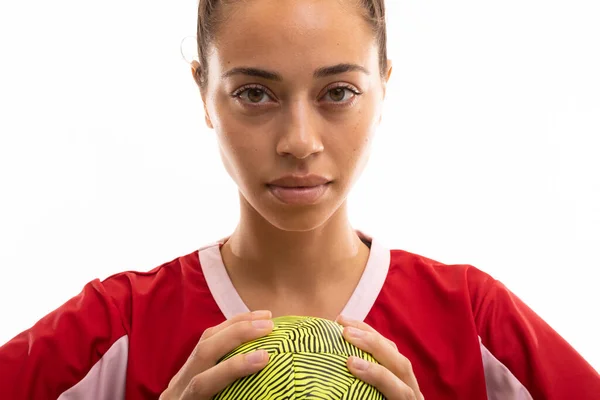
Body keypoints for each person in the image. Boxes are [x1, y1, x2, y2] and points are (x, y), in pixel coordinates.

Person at [1, 0, 599, 399]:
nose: (300, 142)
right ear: (204, 94)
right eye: (255, 93)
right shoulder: (115, 329)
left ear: (383, 87)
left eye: (337, 91)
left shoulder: (474, 323)